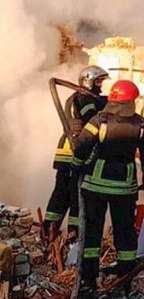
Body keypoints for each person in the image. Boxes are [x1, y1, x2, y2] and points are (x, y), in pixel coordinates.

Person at [71, 79, 144, 292]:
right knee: (124, 231)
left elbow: (82, 145)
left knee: (92, 232)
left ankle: (89, 278)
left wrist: (77, 167)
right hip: (124, 189)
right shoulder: (142, 125)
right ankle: (125, 276)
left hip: (95, 186)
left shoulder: (99, 121)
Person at [44, 65, 109, 243]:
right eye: (98, 81)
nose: (100, 86)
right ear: (87, 80)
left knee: (61, 194)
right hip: (76, 151)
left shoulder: (77, 97)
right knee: (76, 194)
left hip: (66, 152)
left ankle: (49, 230)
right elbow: (93, 119)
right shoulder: (85, 99)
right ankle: (74, 236)